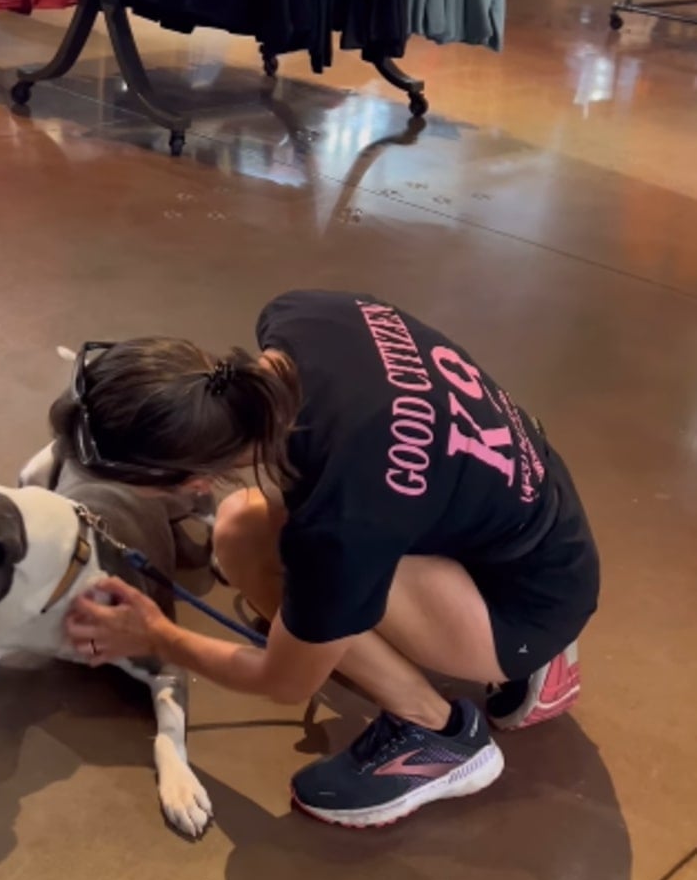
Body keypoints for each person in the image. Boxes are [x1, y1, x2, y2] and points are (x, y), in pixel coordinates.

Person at [63, 290, 600, 828]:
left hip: (527, 601)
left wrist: (156, 634)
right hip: (532, 512)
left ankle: (438, 737)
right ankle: (471, 632)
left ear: (192, 481)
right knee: (242, 528)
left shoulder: (340, 521)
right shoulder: (302, 315)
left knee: (294, 574)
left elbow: (283, 682)